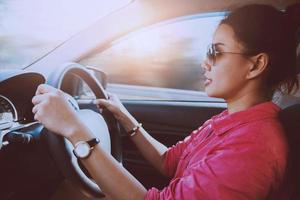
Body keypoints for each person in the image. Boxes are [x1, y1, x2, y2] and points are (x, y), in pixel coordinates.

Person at [31, 4, 299, 200]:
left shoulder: (252, 148)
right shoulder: (230, 120)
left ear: (256, 65)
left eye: (216, 52)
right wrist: (127, 119)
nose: (205, 62)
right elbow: (169, 162)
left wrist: (76, 132)